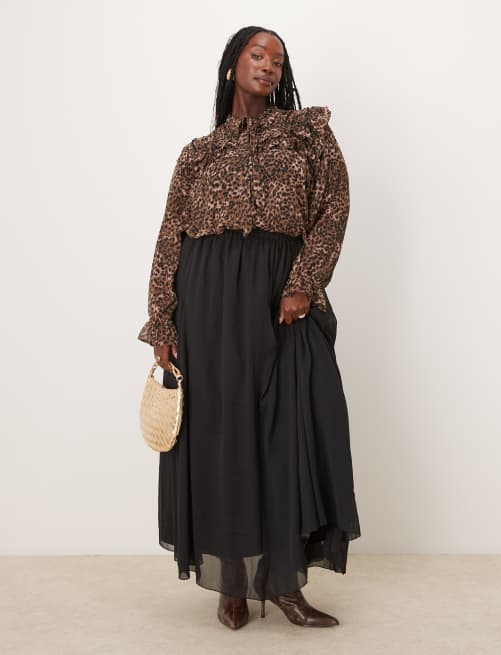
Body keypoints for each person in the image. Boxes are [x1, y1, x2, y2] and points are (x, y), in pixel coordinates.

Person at [138, 25, 361, 630]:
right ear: (232, 65)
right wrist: (162, 319)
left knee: (288, 436)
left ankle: (285, 584)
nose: (268, 66)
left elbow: (334, 208)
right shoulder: (198, 153)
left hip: (279, 299)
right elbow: (170, 237)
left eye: (277, 61)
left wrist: (303, 282)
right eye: (257, 55)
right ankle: (232, 583)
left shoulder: (308, 134)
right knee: (222, 440)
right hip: (207, 304)